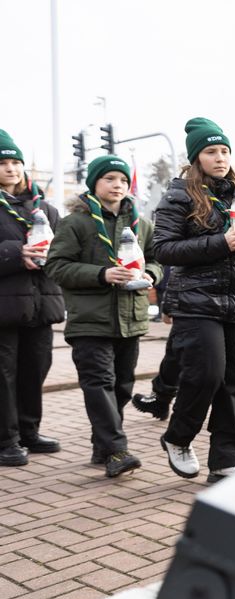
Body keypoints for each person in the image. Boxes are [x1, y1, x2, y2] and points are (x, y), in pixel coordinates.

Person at [152, 117, 235, 484]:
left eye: (224, 151)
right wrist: (222, 242)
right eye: (211, 151)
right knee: (206, 375)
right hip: (197, 300)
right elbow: (163, 249)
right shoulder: (179, 195)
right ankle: (178, 437)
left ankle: (225, 458)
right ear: (196, 158)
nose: (220, 158)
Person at [45, 155, 160, 477]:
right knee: (99, 383)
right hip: (89, 321)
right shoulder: (75, 223)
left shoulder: (140, 224)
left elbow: (156, 259)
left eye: (122, 180)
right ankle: (116, 450)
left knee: (122, 387)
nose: (117, 185)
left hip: (130, 321)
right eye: (109, 179)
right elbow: (56, 266)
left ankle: (103, 446)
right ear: (94, 184)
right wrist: (101, 274)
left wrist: (151, 273)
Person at [0, 129, 64, 467]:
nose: (11, 168)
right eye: (3, 163)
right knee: (4, 375)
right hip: (4, 307)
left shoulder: (46, 209)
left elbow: (64, 252)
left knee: (35, 368)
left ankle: (29, 431)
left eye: (15, 162)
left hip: (41, 304)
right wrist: (15, 253)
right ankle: (5, 440)